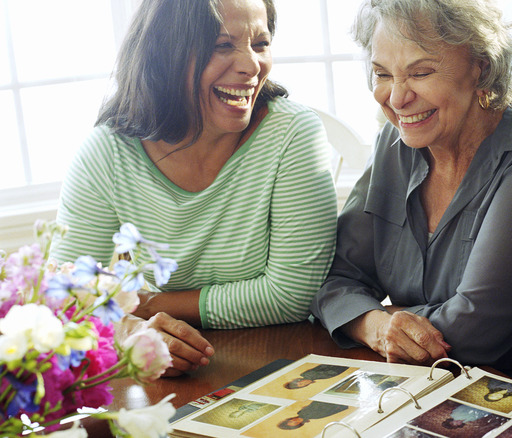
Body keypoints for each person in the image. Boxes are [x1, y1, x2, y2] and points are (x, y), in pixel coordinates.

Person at [50, 0, 338, 376]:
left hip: (287, 359)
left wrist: (149, 302)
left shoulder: (293, 134)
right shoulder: (108, 152)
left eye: (260, 44)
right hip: (170, 371)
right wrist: (129, 332)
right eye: (223, 45)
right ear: (165, 53)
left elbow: (291, 296)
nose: (251, 66)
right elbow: (61, 295)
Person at [309, 0, 512, 390]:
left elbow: (476, 329)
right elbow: (334, 280)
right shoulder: (393, 146)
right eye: (381, 73)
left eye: (421, 73)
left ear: (481, 66)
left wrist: (380, 318)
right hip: (412, 387)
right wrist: (377, 324)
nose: (396, 99)